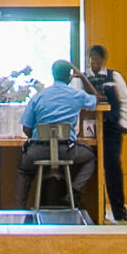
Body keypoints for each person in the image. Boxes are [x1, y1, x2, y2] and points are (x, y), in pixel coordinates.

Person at [20, 60, 97, 211]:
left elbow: (26, 129)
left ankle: (20, 206)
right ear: (69, 77)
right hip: (66, 150)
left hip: (37, 151)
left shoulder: (38, 96)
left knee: (24, 170)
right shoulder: (77, 95)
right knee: (91, 157)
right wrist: (81, 76)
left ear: (52, 74)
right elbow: (96, 98)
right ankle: (74, 191)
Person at [84, 43, 127, 223]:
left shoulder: (115, 77)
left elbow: (126, 101)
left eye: (98, 60)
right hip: (88, 130)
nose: (94, 63)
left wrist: (122, 124)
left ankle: (119, 211)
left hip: (111, 128)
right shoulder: (80, 79)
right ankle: (95, 211)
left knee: (113, 167)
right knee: (90, 168)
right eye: (92, 60)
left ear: (103, 60)